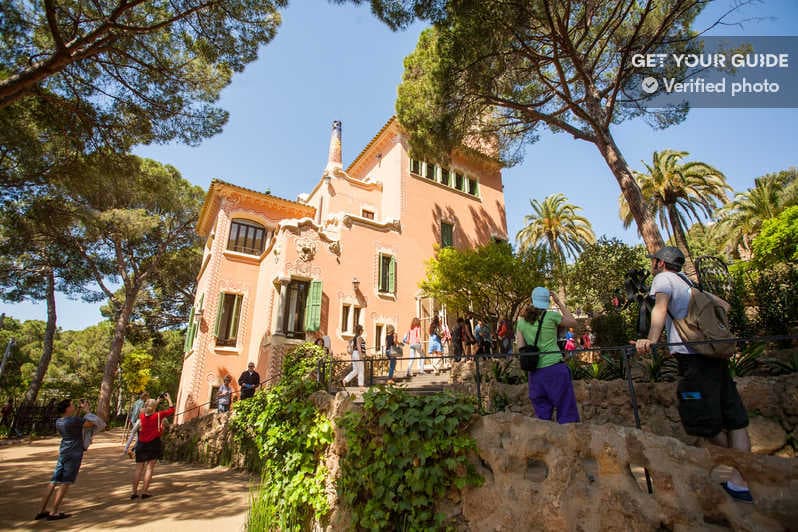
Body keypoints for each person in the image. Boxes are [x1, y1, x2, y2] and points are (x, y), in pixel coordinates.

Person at [633, 246, 753, 503]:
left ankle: (739, 465)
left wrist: (651, 340)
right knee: (735, 418)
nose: (652, 265)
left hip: (693, 358)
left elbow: (660, 309)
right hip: (714, 355)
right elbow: (725, 306)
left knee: (697, 419)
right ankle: (742, 480)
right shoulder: (688, 282)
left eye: (654, 261)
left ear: (661, 264)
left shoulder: (663, 279)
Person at [515, 287, 579, 424]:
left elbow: (520, 347)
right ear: (547, 301)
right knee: (567, 412)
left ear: (532, 300)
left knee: (542, 418)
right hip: (555, 369)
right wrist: (559, 303)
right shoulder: (551, 316)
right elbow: (573, 323)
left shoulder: (521, 322)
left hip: (535, 374)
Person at [35, 398, 96, 521]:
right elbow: (91, 424)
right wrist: (87, 410)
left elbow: (75, 423)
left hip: (63, 451)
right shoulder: (74, 420)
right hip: (74, 453)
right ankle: (54, 512)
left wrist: (79, 412)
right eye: (72, 405)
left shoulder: (59, 421)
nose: (74, 406)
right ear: (68, 408)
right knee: (65, 482)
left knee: (54, 481)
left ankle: (41, 510)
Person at [123, 392, 175, 499]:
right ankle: (145, 491)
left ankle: (134, 492)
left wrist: (155, 402)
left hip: (141, 444)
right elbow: (171, 410)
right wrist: (168, 399)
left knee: (138, 469)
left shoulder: (141, 415)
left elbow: (148, 408)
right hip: (153, 443)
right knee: (149, 469)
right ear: (155, 407)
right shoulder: (158, 415)